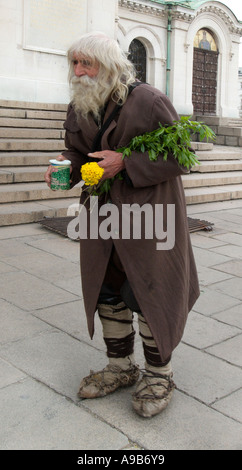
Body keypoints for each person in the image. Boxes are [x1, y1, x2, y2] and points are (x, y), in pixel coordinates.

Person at [44, 31, 200, 418]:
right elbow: (79, 151)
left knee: (148, 291)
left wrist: (126, 162)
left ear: (110, 66)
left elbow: (183, 155)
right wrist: (65, 165)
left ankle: (159, 374)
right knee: (106, 290)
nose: (79, 72)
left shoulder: (148, 100)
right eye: (74, 63)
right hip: (102, 215)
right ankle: (120, 367)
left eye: (87, 64)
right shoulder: (81, 103)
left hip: (149, 216)